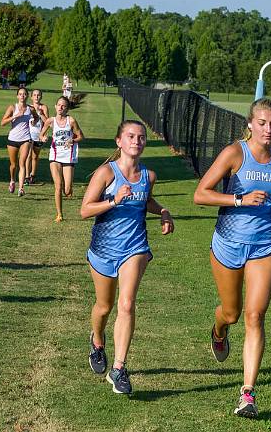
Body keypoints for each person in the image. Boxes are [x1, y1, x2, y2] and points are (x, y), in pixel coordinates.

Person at [193, 98, 271, 418]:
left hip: (263, 247)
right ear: (251, 124)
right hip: (227, 244)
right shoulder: (234, 154)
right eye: (263, 123)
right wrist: (239, 199)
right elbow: (201, 194)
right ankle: (218, 330)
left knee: (255, 316)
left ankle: (248, 394)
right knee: (232, 313)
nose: (269, 129)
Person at [80, 120, 174, 395]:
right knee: (103, 307)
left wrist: (164, 212)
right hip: (103, 250)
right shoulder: (106, 173)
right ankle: (98, 341)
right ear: (119, 142)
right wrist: (113, 201)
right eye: (131, 136)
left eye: (141, 137)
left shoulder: (149, 175)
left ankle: (119, 368)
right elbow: (85, 210)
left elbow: (147, 202)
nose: (136, 140)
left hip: (135, 248)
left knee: (127, 303)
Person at [39, 96, 84, 222]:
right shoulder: (50, 121)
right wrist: (43, 138)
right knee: (57, 186)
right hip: (55, 155)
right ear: (55, 106)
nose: (60, 107)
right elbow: (41, 134)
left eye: (63, 106)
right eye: (59, 105)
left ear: (67, 108)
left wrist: (73, 140)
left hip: (68, 156)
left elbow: (81, 136)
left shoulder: (72, 121)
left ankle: (68, 188)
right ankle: (59, 214)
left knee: (67, 190)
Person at [0, 87, 33, 196]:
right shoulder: (12, 107)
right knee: (13, 165)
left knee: (22, 163)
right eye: (20, 94)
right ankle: (12, 180)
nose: (22, 96)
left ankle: (21, 188)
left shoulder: (30, 109)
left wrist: (34, 122)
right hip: (13, 139)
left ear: (27, 96)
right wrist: (15, 116)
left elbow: (36, 117)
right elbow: (2, 122)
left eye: (24, 94)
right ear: (17, 96)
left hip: (25, 139)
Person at [25, 89, 49, 185]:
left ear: (41, 96)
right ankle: (26, 176)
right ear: (31, 97)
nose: (36, 97)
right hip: (28, 134)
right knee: (28, 155)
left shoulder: (44, 107)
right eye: (34, 95)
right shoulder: (28, 107)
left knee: (35, 156)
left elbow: (48, 122)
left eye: (38, 95)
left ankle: (33, 176)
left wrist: (41, 113)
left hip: (39, 135)